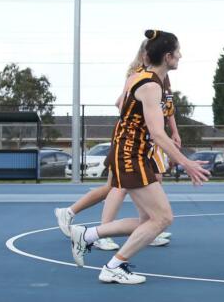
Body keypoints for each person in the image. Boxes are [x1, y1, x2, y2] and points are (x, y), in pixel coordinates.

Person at [69, 29, 210, 284]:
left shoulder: (140, 77)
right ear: (168, 57)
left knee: (147, 220)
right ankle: (114, 266)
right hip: (131, 155)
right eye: (177, 51)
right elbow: (158, 133)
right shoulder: (150, 86)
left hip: (132, 152)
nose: (181, 55)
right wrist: (186, 162)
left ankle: (87, 236)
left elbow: (130, 115)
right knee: (163, 218)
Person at [54, 39, 181, 249]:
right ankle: (88, 225)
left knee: (142, 182)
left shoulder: (161, 78)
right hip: (131, 142)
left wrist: (173, 130)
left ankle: (147, 227)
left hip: (145, 142)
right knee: (117, 186)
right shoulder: (140, 76)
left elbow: (168, 106)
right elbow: (122, 103)